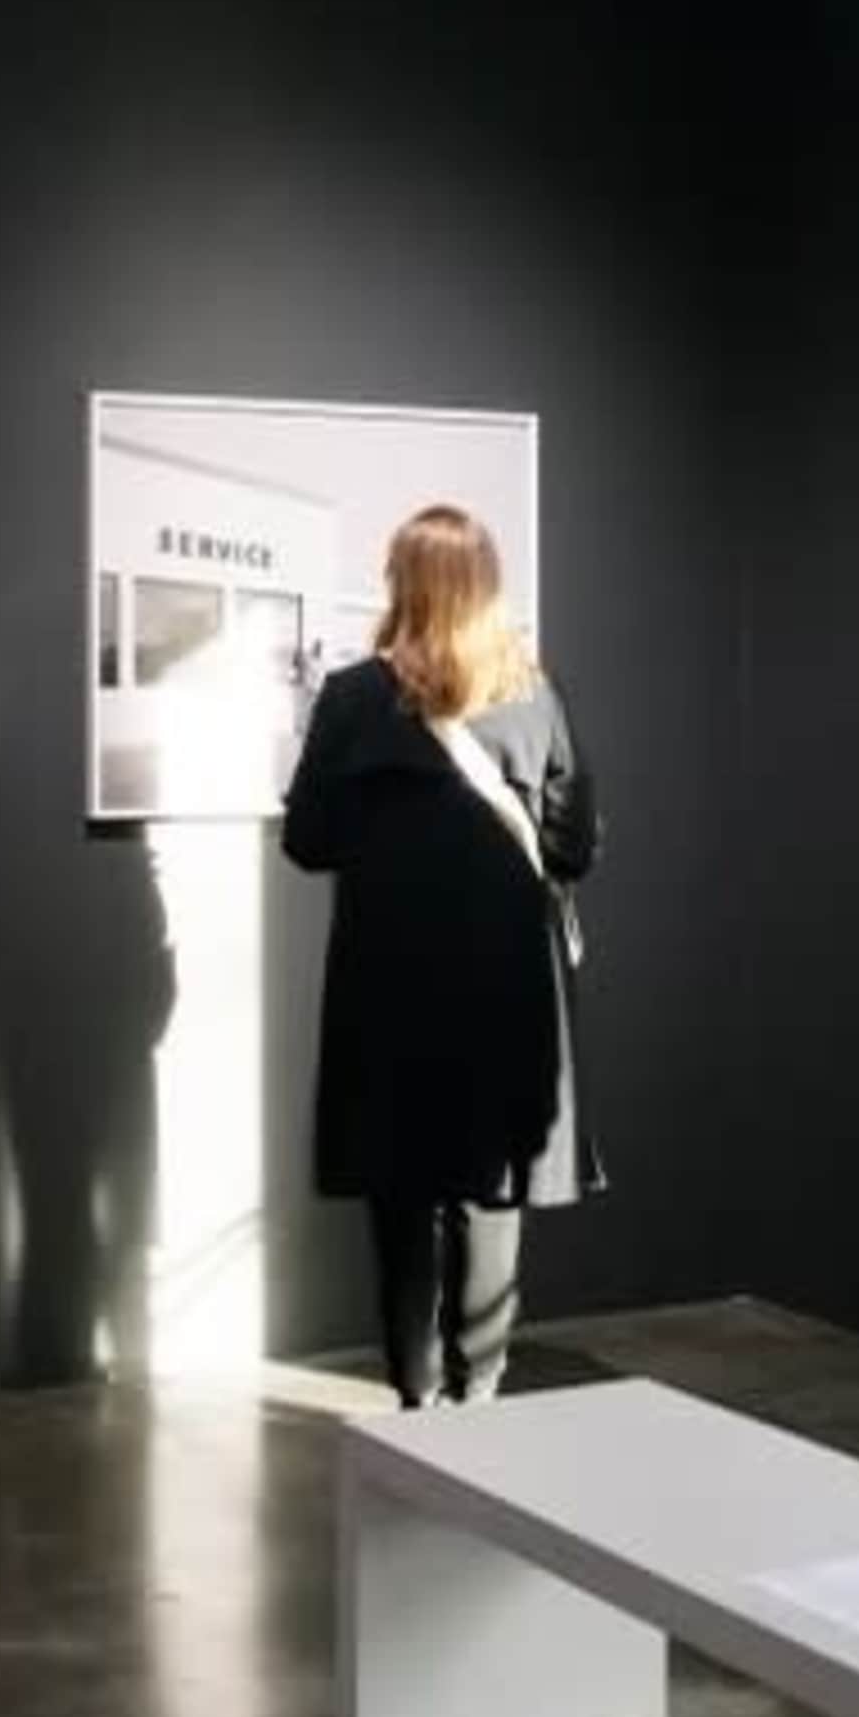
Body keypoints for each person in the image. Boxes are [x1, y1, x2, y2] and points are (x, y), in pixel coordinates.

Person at [284, 504, 599, 1407]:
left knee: (401, 1194)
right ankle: (481, 1399)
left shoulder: (351, 699)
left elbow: (306, 840)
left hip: (387, 989)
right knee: (489, 1192)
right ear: (486, 588)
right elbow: (574, 846)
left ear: (401, 587)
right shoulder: (534, 696)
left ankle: (415, 1405)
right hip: (506, 992)